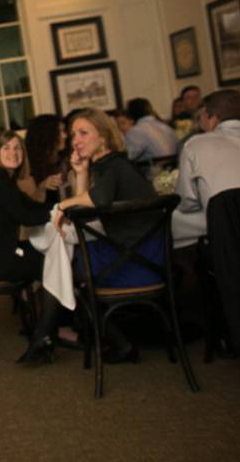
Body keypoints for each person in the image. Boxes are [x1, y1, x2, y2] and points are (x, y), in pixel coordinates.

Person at [54, 109, 161, 362]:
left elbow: (97, 200)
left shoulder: (113, 165)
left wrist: (63, 204)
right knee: (81, 264)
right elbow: (87, 213)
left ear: (102, 137)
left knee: (77, 275)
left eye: (83, 133)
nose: (75, 141)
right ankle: (122, 340)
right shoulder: (109, 164)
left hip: (141, 263)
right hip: (150, 259)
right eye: (72, 135)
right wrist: (81, 173)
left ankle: (122, 344)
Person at [0, 131, 64, 363]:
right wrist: (60, 211)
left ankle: (50, 329)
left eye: (17, 148)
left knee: (51, 259)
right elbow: (25, 216)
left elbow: (29, 206)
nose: (13, 153)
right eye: (6, 148)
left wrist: (60, 207)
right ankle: (45, 334)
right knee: (53, 263)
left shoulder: (0, 178)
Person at [172, 89, 240, 243]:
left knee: (170, 223)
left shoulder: (195, 145)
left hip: (226, 236)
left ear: (213, 119)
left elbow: (186, 202)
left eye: (202, 116)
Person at [23, 114, 67, 205]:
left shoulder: (64, 161)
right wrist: (42, 187)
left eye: (64, 131)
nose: (65, 135)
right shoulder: (28, 167)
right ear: (46, 135)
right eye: (59, 132)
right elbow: (29, 206)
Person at [123, 97, 178, 165]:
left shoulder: (135, 132)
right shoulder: (167, 127)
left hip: (153, 171)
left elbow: (129, 157)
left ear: (131, 114)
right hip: (173, 169)